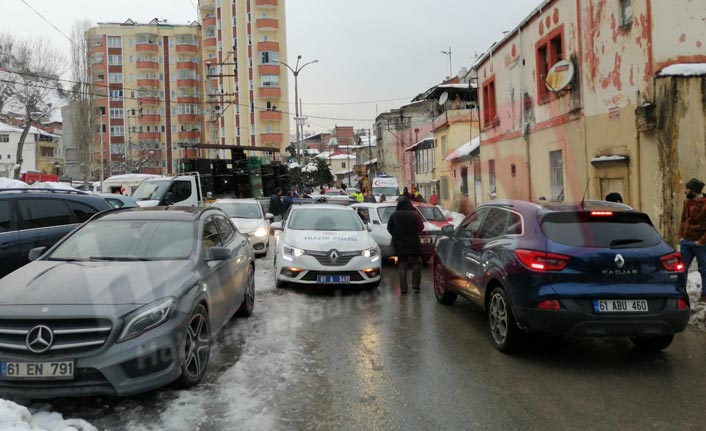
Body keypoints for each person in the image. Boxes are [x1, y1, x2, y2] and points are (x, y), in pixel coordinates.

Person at [387, 196, 424, 293]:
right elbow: (421, 227)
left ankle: (403, 289)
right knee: (417, 263)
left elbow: (389, 228)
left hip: (399, 244)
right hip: (413, 243)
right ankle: (416, 285)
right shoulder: (414, 215)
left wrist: (397, 234)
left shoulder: (394, 215)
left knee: (402, 265)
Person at [680, 177, 706, 301]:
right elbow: (683, 220)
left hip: (700, 243)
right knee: (681, 268)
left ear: (694, 191)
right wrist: (681, 236)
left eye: (687, 189)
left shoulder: (705, 204)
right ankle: (680, 293)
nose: (685, 191)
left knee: (704, 269)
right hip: (686, 241)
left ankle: (705, 295)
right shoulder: (687, 203)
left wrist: (701, 241)